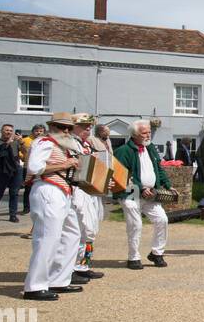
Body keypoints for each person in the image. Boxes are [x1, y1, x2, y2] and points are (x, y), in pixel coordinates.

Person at [21, 113, 86, 299]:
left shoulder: (64, 147)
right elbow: (34, 168)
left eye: (69, 128)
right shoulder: (44, 142)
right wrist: (66, 164)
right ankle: (34, 286)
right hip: (48, 189)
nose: (65, 131)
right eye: (60, 127)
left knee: (72, 234)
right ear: (52, 127)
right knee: (47, 237)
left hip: (64, 192)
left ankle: (59, 280)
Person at [113, 120, 171, 269]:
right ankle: (133, 257)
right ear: (134, 134)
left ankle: (156, 253)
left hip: (151, 192)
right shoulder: (123, 151)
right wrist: (140, 187)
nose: (148, 135)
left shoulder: (150, 148)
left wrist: (168, 185)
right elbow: (121, 175)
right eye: (144, 133)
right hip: (130, 192)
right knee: (135, 224)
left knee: (162, 220)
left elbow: (159, 168)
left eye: (149, 132)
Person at [69, 114, 105, 283]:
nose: (88, 129)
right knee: (77, 231)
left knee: (90, 231)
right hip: (76, 191)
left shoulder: (86, 144)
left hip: (89, 192)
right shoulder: (69, 143)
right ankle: (70, 268)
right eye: (84, 126)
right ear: (73, 126)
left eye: (90, 126)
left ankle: (83, 265)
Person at [0, 123, 22, 222]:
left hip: (16, 168)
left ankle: (13, 215)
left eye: (11, 131)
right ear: (1, 131)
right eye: (6, 130)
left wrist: (22, 142)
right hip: (2, 169)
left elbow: (24, 152)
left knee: (14, 193)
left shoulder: (16, 143)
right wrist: (7, 143)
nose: (9, 132)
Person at [19, 124, 46, 216]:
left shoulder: (45, 141)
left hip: (42, 168)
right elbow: (21, 152)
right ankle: (26, 208)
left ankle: (39, 208)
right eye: (37, 131)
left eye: (41, 131)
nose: (38, 133)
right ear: (33, 131)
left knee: (40, 188)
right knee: (28, 188)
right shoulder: (26, 140)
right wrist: (23, 156)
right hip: (28, 167)